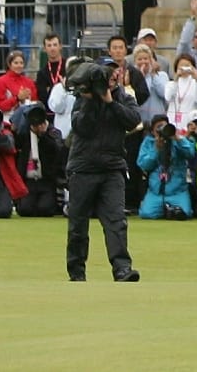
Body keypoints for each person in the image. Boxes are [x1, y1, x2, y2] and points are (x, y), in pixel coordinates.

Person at [67, 58, 143, 281]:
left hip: (112, 168)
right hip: (83, 167)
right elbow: (82, 127)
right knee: (78, 224)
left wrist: (110, 102)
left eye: (114, 71)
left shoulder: (124, 98)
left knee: (116, 221)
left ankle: (122, 268)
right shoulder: (82, 99)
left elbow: (132, 121)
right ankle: (77, 272)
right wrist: (92, 100)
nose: (110, 76)